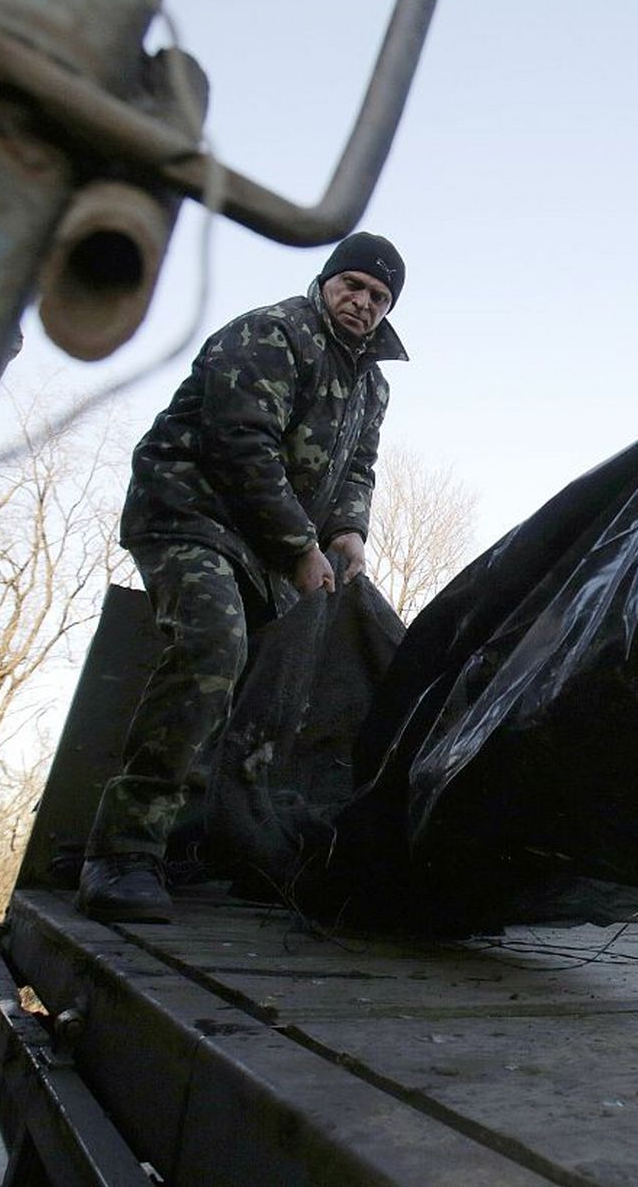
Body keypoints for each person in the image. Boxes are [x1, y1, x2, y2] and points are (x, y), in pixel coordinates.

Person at [77, 231, 409, 924]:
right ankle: (123, 851)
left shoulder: (370, 384)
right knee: (212, 645)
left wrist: (347, 531)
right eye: (351, 285)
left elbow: (357, 469)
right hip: (190, 514)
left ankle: (193, 843)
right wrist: (297, 546)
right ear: (325, 283)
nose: (362, 303)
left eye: (378, 296)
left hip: (264, 548)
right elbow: (239, 445)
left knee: (275, 686)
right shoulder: (272, 333)